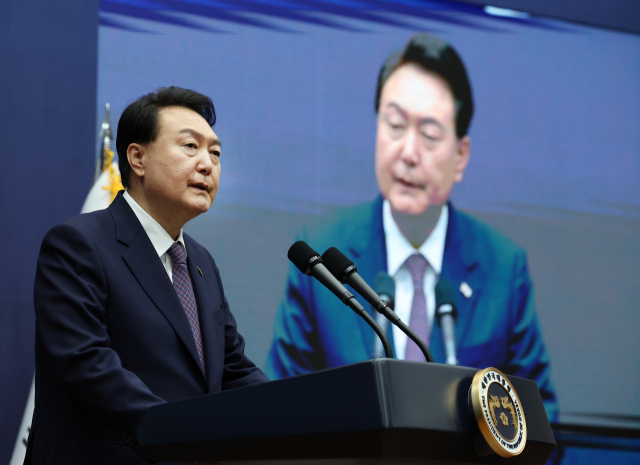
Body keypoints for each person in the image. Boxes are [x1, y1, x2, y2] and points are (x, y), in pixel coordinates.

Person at [265, 33, 557, 420]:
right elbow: (281, 408)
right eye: (395, 125)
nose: (408, 153)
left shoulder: (503, 268)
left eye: (430, 135)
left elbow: (539, 421)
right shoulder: (321, 254)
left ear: (460, 156)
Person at [29, 87, 268, 465]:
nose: (207, 164)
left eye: (215, 153)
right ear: (137, 158)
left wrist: (294, 416)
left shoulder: (201, 262)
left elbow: (233, 369)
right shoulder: (78, 244)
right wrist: (178, 432)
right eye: (190, 146)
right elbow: (87, 363)